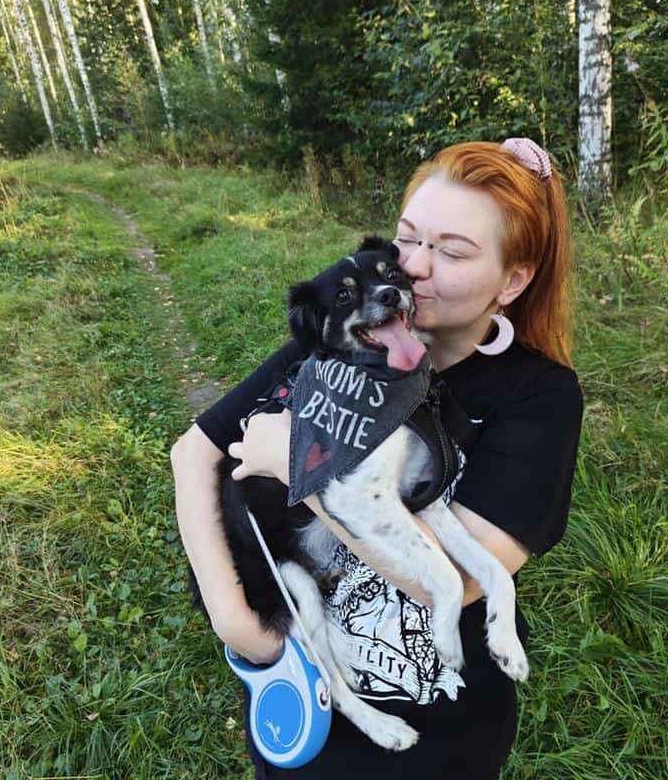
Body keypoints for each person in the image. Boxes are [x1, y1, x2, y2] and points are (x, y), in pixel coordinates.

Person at [171, 138, 584, 778]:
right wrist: (238, 627)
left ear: (513, 280)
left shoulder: (538, 397)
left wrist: (299, 465)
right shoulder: (338, 346)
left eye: (451, 251)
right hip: (305, 696)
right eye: (407, 239)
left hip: (439, 724)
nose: (411, 267)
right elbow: (194, 452)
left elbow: (459, 580)